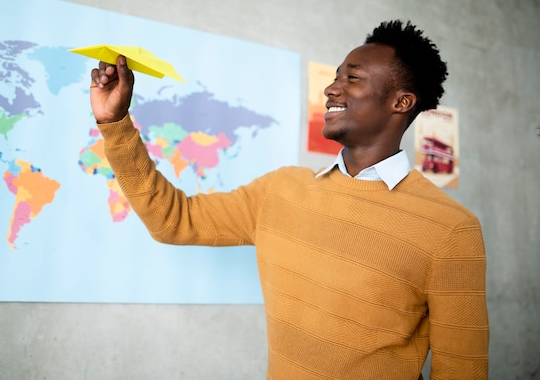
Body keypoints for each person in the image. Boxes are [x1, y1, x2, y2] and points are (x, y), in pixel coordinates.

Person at [88, 20, 489, 379]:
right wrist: (114, 124)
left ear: (401, 102)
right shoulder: (281, 190)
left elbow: (462, 370)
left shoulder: (451, 229)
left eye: (353, 78)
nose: (332, 87)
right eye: (335, 76)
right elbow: (172, 221)